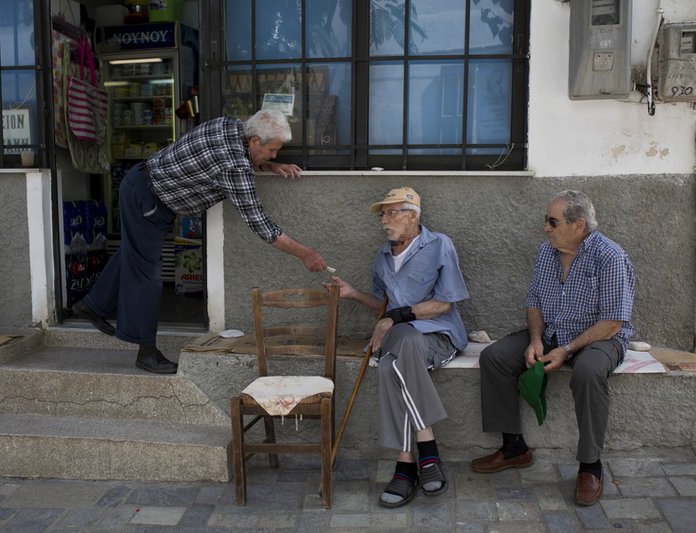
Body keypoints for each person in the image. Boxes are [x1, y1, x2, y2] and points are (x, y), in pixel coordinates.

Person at [73, 110, 327, 374]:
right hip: (146, 198)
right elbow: (261, 224)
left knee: (133, 254)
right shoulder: (234, 167)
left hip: (145, 187)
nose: (276, 155)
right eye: (272, 151)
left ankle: (91, 306)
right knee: (146, 274)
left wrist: (270, 165)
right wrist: (305, 253)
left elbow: (236, 157)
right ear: (254, 141)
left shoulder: (231, 124)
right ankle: (145, 351)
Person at [471, 190, 635, 507]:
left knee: (588, 372)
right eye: (546, 221)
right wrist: (535, 340)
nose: (545, 228)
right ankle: (514, 447)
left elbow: (613, 322)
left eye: (552, 221)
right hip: (553, 334)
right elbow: (535, 302)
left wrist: (569, 349)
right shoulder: (548, 252)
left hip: (598, 338)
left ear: (578, 225)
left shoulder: (610, 257)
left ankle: (590, 466)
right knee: (495, 357)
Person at [326, 187, 469, 508]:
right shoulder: (381, 258)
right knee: (402, 342)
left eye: (392, 213)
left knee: (391, 364)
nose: (384, 221)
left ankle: (405, 464)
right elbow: (382, 305)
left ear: (413, 216)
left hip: (437, 335)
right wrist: (353, 294)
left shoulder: (439, 245)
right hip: (401, 336)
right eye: (383, 214)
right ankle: (427, 454)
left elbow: (444, 304)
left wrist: (397, 317)